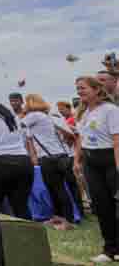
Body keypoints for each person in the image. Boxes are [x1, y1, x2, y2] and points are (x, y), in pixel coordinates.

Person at [74, 76, 119, 263]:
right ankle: (109, 249)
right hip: (92, 163)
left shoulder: (110, 110)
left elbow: (117, 141)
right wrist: (77, 161)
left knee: (117, 206)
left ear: (96, 89)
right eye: (77, 88)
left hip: (110, 160)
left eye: (83, 88)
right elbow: (81, 140)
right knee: (101, 206)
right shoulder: (83, 113)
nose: (79, 91)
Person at [21, 94, 75, 229]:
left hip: (48, 158)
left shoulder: (34, 116)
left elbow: (18, 126)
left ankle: (66, 219)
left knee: (56, 189)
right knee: (59, 188)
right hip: (61, 156)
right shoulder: (46, 117)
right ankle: (62, 218)